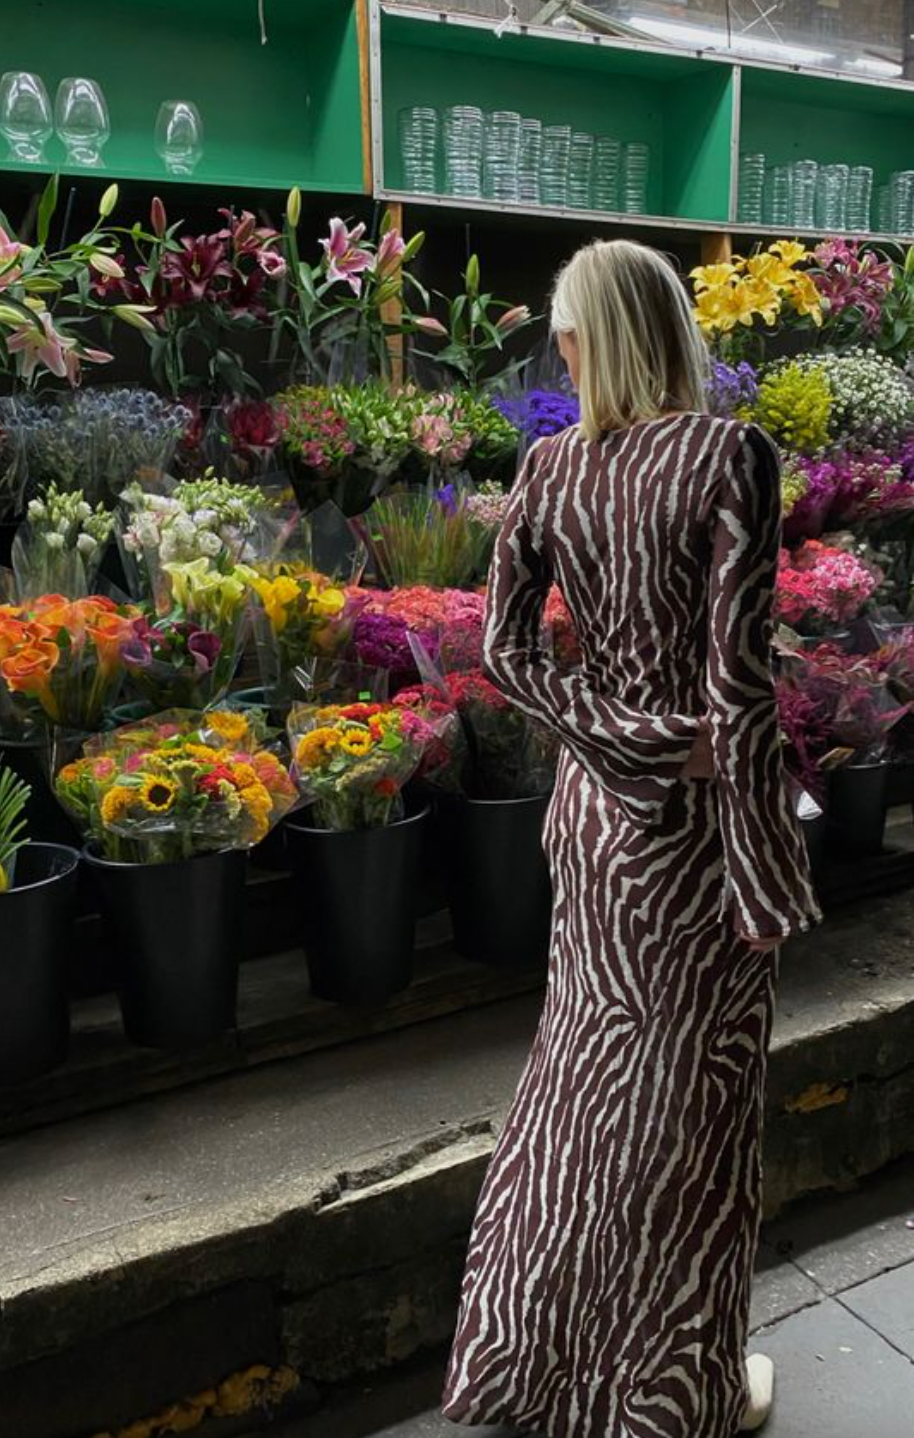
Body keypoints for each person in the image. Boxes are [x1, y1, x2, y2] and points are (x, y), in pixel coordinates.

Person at [441, 238, 821, 1438]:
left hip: (592, 829)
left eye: (562, 331)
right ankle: (677, 1393)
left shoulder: (548, 468)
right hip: (693, 847)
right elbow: (738, 693)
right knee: (691, 1114)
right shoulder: (726, 454)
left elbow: (500, 654)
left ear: (586, 340)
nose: (556, 348)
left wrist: (612, 733)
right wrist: (764, 877)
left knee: (579, 1093)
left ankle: (525, 1372)